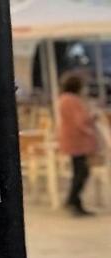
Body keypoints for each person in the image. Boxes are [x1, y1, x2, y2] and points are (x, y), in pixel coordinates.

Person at [58, 72, 100, 217]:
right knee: (82, 172)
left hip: (70, 139)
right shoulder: (73, 101)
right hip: (78, 141)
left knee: (79, 171)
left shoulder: (63, 99)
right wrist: (92, 118)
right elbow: (81, 121)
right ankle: (73, 200)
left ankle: (73, 200)